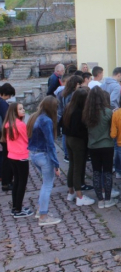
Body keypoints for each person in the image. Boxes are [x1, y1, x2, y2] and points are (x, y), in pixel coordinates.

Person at [27, 96, 61, 226]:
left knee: (45, 184)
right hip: (44, 155)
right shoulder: (46, 121)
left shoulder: (34, 117)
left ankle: (40, 210)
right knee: (47, 185)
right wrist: (56, 164)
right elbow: (50, 144)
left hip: (34, 154)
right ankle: (43, 215)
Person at [83, 87, 118, 208]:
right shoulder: (108, 112)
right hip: (107, 145)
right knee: (107, 172)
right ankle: (108, 198)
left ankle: (100, 200)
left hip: (93, 146)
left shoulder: (87, 113)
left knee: (96, 172)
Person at [63, 87, 94, 207]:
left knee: (72, 164)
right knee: (78, 167)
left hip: (69, 139)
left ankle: (71, 191)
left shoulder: (69, 107)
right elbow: (81, 129)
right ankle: (79, 195)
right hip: (78, 141)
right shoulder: (80, 112)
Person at [3, 102, 32, 217]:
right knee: (22, 183)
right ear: (15, 112)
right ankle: (18, 209)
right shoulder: (20, 125)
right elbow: (27, 139)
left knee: (16, 182)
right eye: (20, 109)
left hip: (12, 156)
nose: (23, 110)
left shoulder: (8, 124)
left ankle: (16, 206)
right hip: (21, 156)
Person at [0, 83, 15, 192]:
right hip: (4, 135)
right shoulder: (3, 104)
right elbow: (7, 119)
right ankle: (6, 182)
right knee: (6, 159)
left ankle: (6, 181)